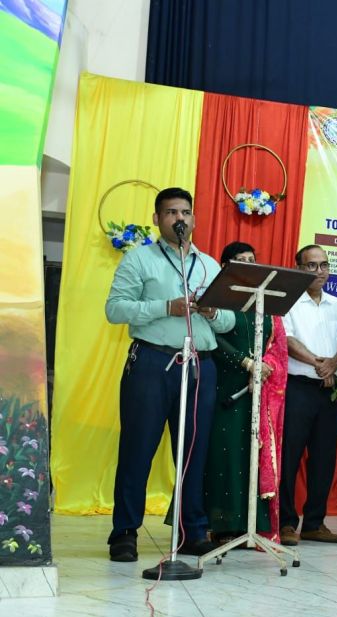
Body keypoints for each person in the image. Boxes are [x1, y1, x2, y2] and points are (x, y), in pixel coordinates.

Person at [104, 187, 234, 562]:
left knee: (194, 451)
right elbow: (115, 309)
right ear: (157, 219)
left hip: (200, 367)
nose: (180, 218)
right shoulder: (139, 259)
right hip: (152, 362)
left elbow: (228, 321)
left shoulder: (209, 265)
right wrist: (166, 307)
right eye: (171, 212)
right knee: (138, 449)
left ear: (194, 219)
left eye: (185, 212)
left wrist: (211, 312)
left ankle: (192, 531)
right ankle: (124, 532)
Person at [203, 242, 288, 544]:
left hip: (258, 388)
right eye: (241, 260)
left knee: (250, 453)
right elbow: (210, 337)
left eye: (252, 260)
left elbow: (276, 344)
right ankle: (220, 524)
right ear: (225, 267)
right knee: (224, 453)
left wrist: (264, 367)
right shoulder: (219, 299)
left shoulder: (265, 301)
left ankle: (248, 524)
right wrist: (246, 363)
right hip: (224, 384)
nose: (249, 265)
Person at [279, 245, 337, 545]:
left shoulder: (336, 304)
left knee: (324, 459)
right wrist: (319, 363)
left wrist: (334, 362)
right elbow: (286, 339)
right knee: (289, 457)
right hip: (298, 387)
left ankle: (314, 523)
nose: (320, 271)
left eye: (324, 265)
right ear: (298, 268)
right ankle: (286, 522)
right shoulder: (287, 301)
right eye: (312, 265)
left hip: (329, 390)